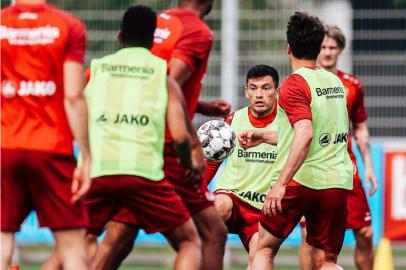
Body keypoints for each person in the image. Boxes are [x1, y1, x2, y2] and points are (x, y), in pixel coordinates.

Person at [88, 1, 230, 269]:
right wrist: (194, 146)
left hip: (133, 142)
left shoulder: (161, 22)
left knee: (115, 237)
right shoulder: (198, 31)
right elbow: (166, 86)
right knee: (211, 233)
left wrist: (199, 105)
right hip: (168, 147)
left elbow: (145, 81)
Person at [251, 12, 354, 270]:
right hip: (336, 181)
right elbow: (320, 131)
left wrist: (281, 183)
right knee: (327, 261)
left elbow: (305, 133)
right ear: (319, 47)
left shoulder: (293, 85)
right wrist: (264, 136)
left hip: (303, 179)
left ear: (289, 47)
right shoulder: (335, 82)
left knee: (263, 248)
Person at [1, 0, 91, 269]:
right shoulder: (68, 26)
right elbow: (74, 97)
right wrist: (86, 156)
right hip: (52, 148)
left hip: (6, 145)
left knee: (3, 236)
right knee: (73, 246)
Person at [298, 25, 377, 270]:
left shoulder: (352, 85)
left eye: (333, 47)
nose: (328, 52)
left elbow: (360, 128)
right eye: (323, 47)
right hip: (314, 165)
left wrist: (369, 167)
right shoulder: (304, 82)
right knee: (308, 236)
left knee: (364, 232)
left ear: (340, 50)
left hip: (346, 166)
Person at [203, 65, 279, 269]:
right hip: (232, 197)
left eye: (266, 88)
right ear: (246, 91)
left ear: (277, 91)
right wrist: (197, 189)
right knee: (218, 207)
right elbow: (212, 161)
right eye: (253, 88)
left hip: (262, 210)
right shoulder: (234, 120)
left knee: (260, 258)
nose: (259, 95)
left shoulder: (288, 123)